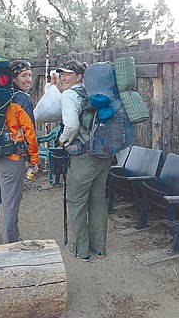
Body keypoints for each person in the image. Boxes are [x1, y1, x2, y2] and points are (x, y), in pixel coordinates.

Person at [0, 60, 39, 246]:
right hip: (10, 159)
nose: (28, 79)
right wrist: (34, 159)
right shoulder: (21, 99)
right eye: (24, 76)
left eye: (29, 75)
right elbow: (30, 132)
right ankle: (10, 243)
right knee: (11, 202)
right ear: (13, 78)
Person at [56, 60, 112, 262]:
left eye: (68, 74)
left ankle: (81, 250)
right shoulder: (97, 92)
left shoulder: (70, 95)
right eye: (61, 74)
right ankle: (100, 248)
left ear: (79, 76)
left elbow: (70, 125)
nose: (63, 77)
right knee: (98, 201)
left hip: (84, 158)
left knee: (77, 203)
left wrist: (62, 140)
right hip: (104, 155)